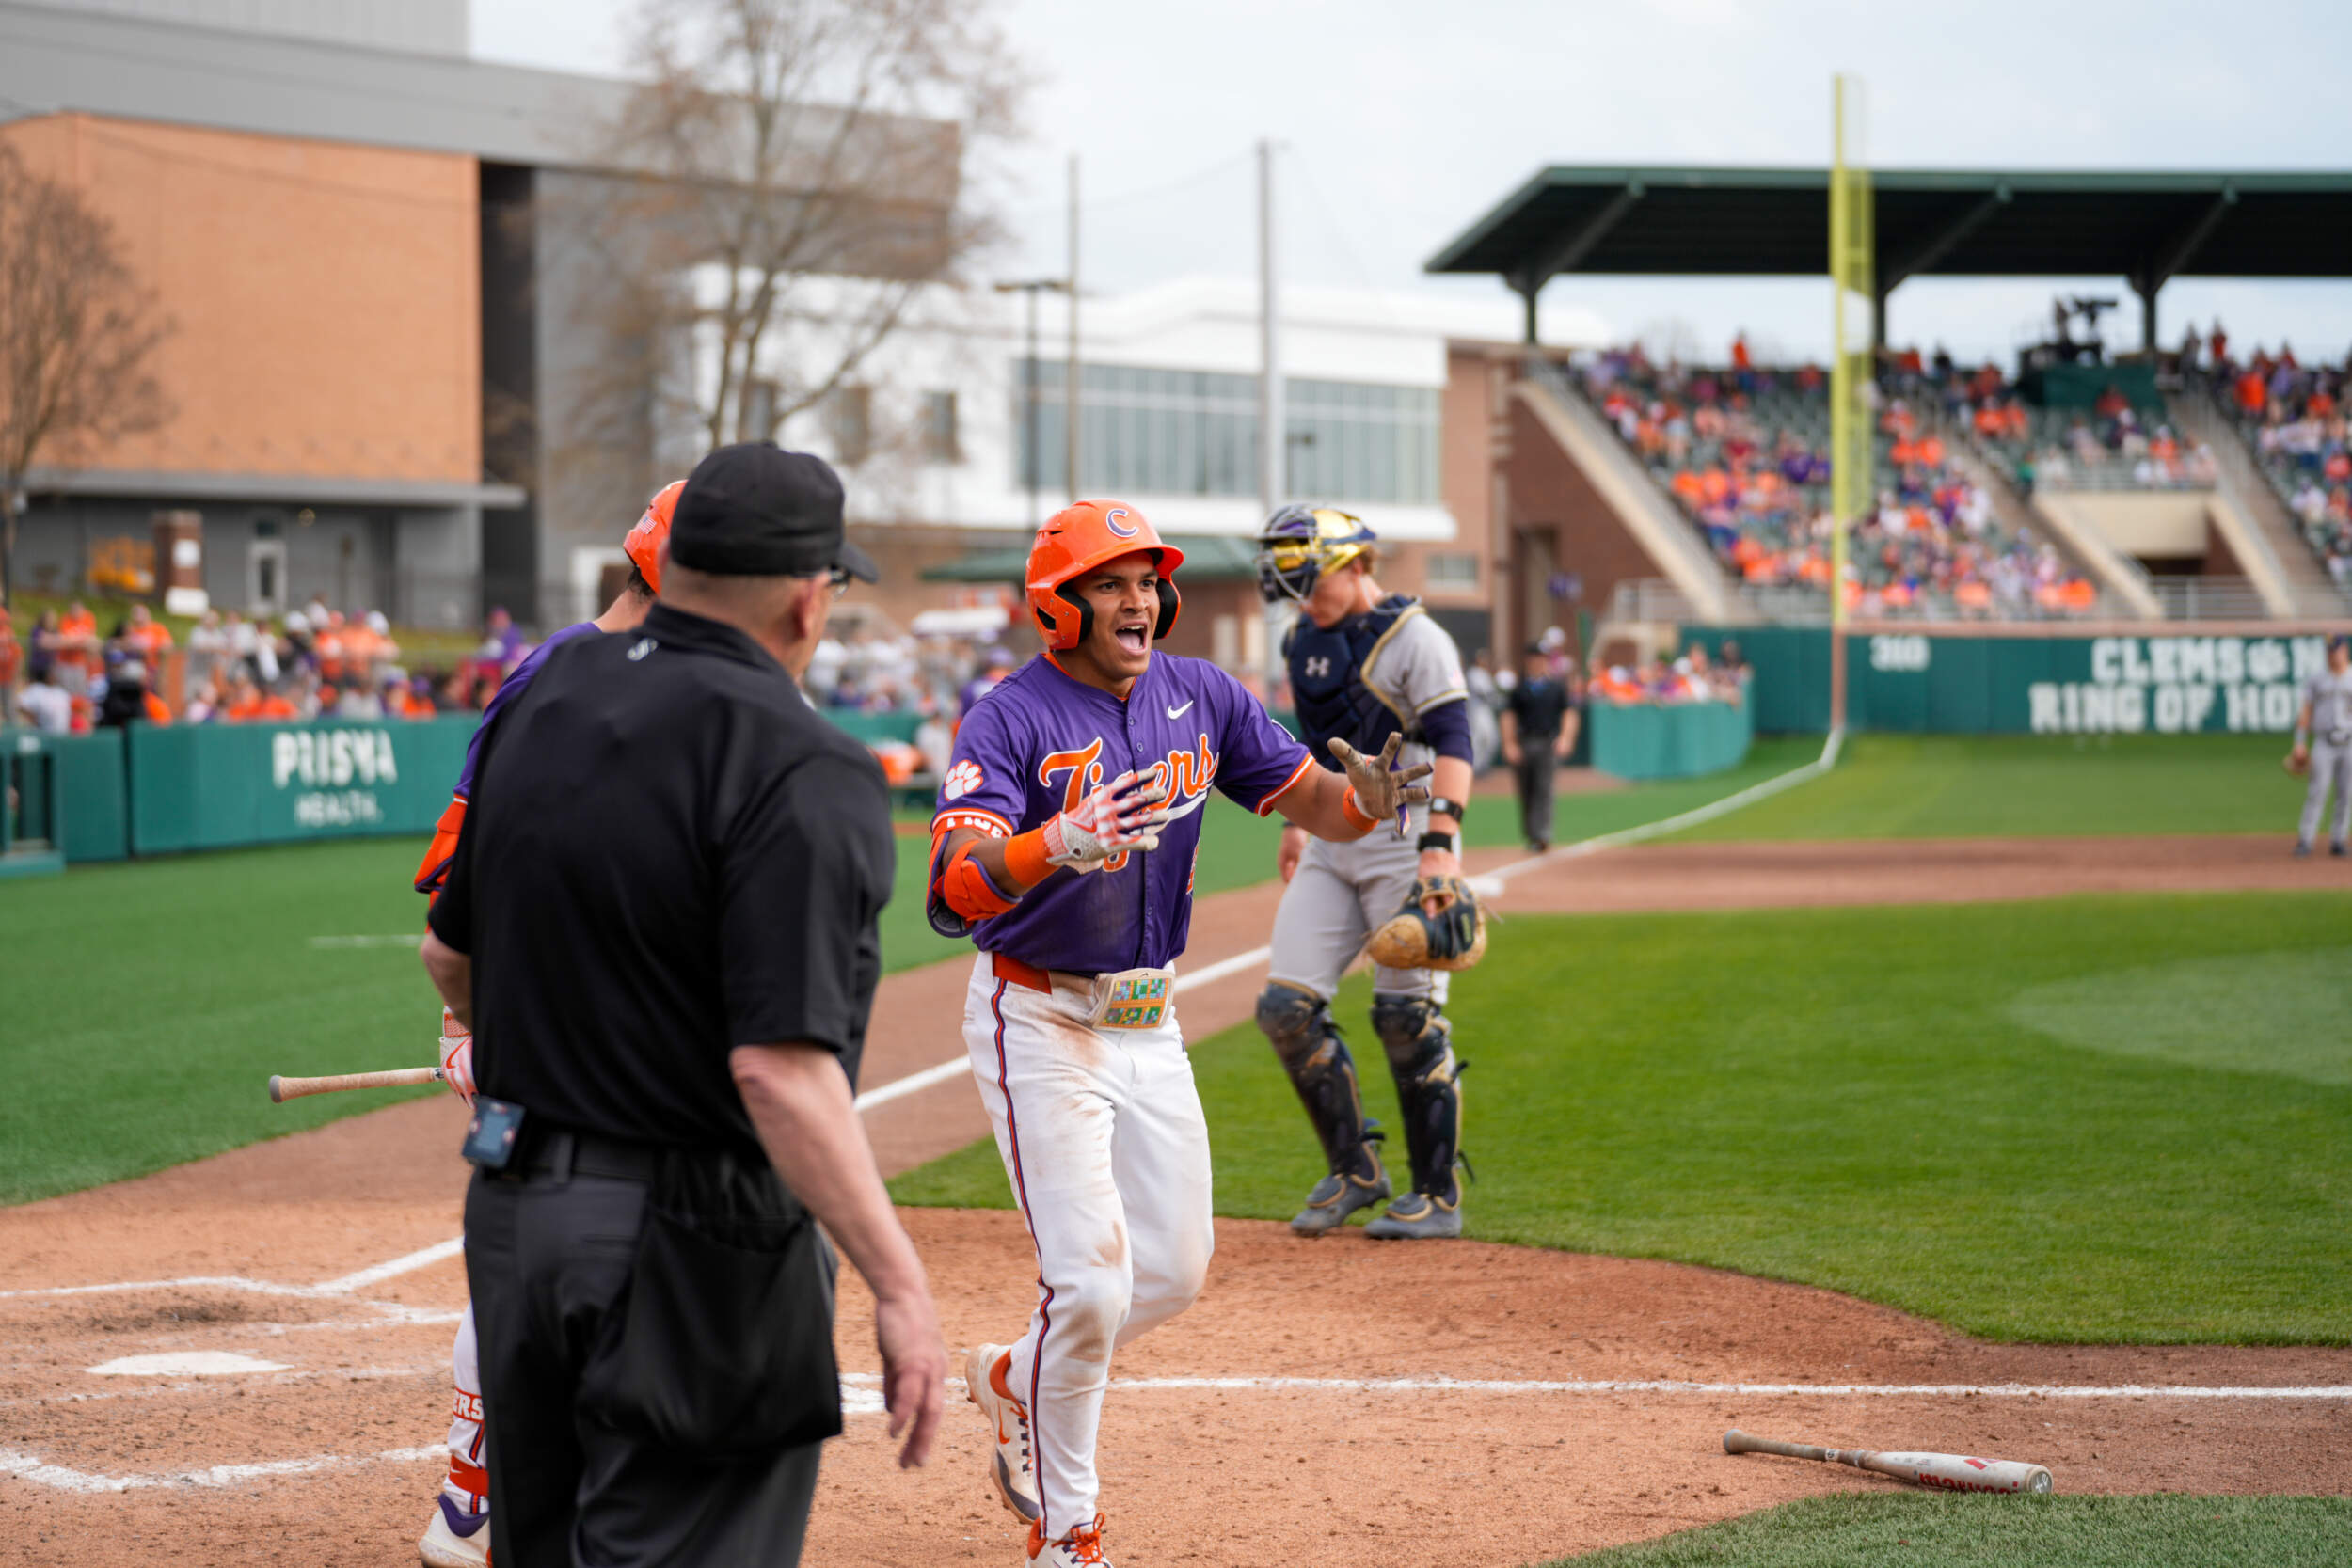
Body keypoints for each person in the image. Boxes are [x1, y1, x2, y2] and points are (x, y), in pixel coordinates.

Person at [419, 443, 943, 1568]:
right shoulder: (807, 761)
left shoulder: (546, 691)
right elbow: (778, 1071)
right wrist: (899, 1284)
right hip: (692, 1241)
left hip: (514, 1216)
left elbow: (446, 954)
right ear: (807, 598)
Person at [929, 499, 1427, 1567]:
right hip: (1040, 1015)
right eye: (1110, 583)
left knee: (1175, 1269)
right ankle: (1068, 1531)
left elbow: (1316, 801)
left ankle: (1015, 1376)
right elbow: (954, 881)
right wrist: (1051, 842)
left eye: (1147, 581)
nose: (1139, 600)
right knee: (1091, 1285)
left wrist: (1368, 803)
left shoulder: (1202, 693)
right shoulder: (1006, 718)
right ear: (1057, 605)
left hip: (1148, 1022)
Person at [412, 479, 681, 1568]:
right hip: (532, 1034)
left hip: (575, 1028)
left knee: (577, 1243)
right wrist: (464, 1022)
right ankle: (473, 1491)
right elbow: (462, 870)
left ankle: (500, 1488)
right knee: (546, 1247)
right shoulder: (562, 674)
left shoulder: (632, 671)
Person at [1248, 504, 1478, 1241]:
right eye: (1293, 586)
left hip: (1406, 837)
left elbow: (1455, 739)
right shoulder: (1301, 638)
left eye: (1313, 581)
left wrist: (1442, 844)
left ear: (1354, 564)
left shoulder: (1415, 637)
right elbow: (1318, 745)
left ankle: (1437, 1194)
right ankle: (1354, 1169)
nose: (1304, 600)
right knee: (1285, 1008)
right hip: (1333, 834)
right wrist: (1295, 821)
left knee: (1405, 1017)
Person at [1502, 642, 1578, 853]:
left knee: (1544, 789)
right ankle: (1531, 834)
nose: (1538, 662)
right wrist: (1509, 743)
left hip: (1547, 742)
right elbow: (1508, 716)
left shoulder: (1556, 687)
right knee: (1526, 790)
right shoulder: (1520, 689)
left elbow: (1569, 713)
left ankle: (1543, 834)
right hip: (1525, 741)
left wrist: (1566, 738)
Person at [2290, 633, 2352, 858]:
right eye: (2329, 651)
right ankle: (2306, 840)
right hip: (2324, 742)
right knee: (2317, 792)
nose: (2332, 655)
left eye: (2335, 650)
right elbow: (2306, 711)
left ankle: (2338, 840)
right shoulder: (2317, 679)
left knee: (2347, 794)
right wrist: (2299, 742)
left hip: (2349, 742)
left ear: (2345, 651)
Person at [13, 663, 72, 734]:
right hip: (42, 732)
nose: (53, 676)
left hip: (61, 733)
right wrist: (33, 718)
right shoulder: (37, 689)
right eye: (51, 673)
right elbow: (19, 704)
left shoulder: (62, 693)